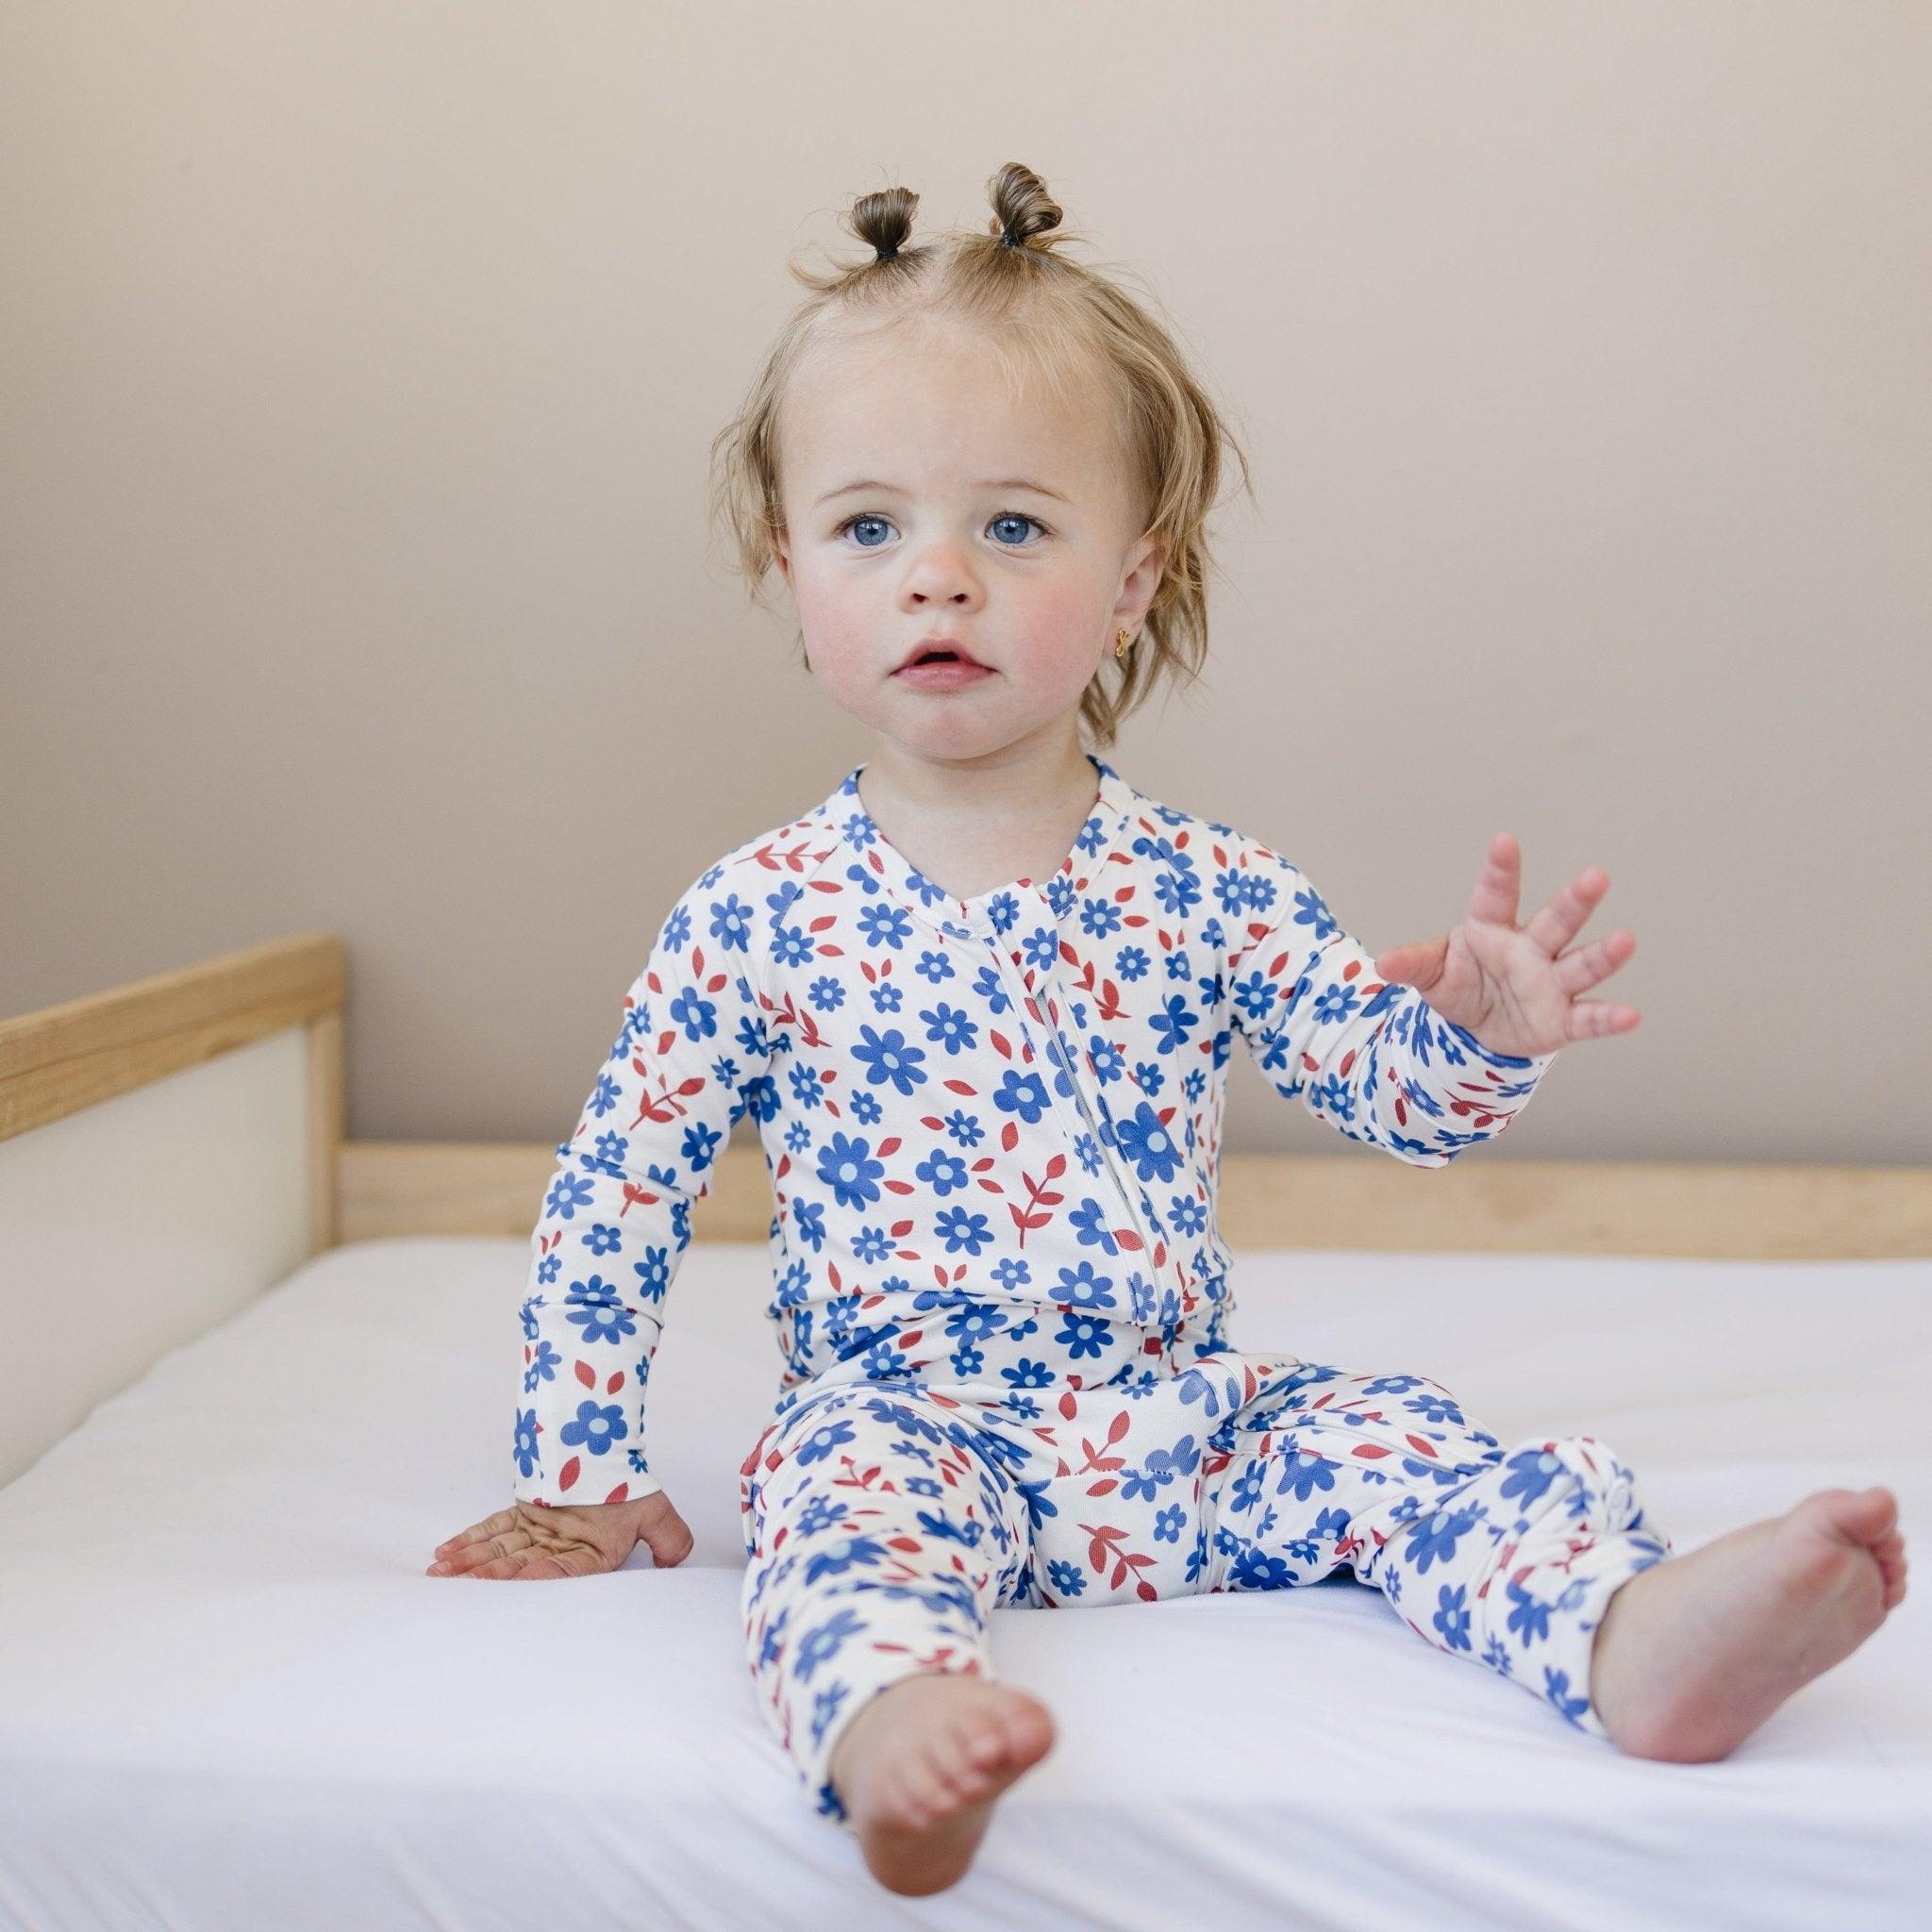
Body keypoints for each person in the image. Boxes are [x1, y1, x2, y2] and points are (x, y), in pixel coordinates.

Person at [426, 161, 1907, 1899]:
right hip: (906, 1417)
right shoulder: (754, 914)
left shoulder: (1208, 885)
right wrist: (585, 1472)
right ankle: (891, 1723)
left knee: (1394, 1437)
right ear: (792, 572)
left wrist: (1482, 1037)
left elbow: (1387, 1092)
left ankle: (1627, 1630)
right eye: (870, 528)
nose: (939, 585)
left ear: (1132, 586)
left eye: (1015, 527)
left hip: (1176, 1422)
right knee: (827, 1519)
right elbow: (618, 1196)